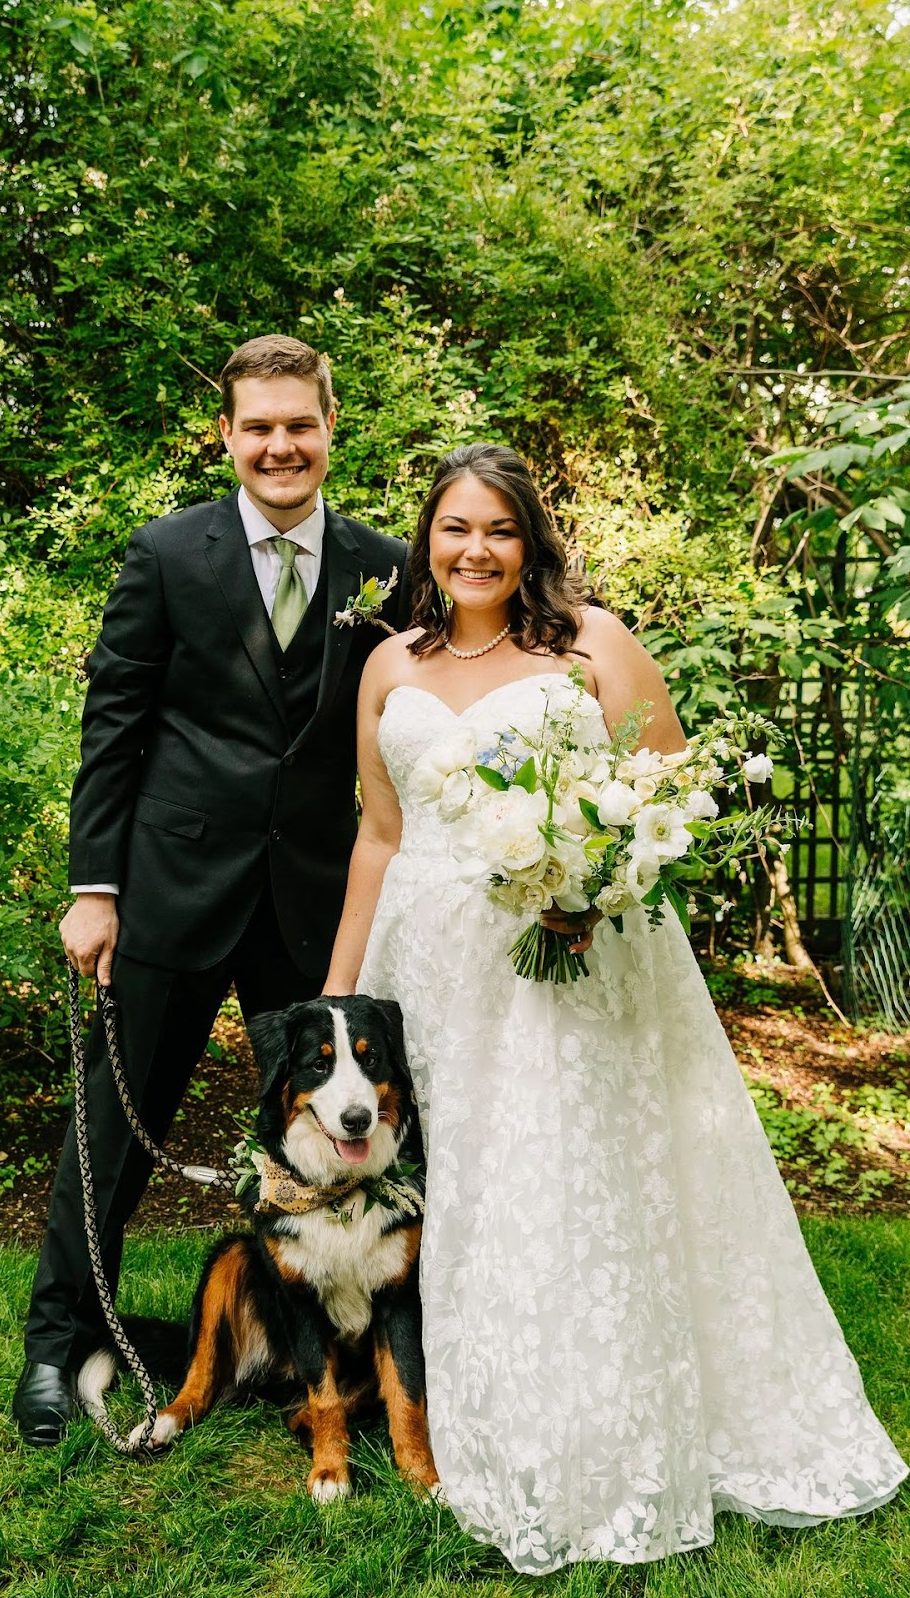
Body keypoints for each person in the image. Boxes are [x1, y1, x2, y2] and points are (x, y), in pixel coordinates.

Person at [324, 442, 907, 1573]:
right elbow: (381, 836)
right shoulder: (389, 663)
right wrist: (344, 996)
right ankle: (476, 1409)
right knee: (467, 1184)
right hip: (431, 968)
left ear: (529, 539)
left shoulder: (589, 642)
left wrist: (595, 883)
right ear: (425, 542)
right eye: (454, 528)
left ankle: (602, 1438)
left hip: (573, 959)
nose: (476, 549)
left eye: (498, 528)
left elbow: (667, 788)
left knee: (565, 1176)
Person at [12, 335, 412, 1446]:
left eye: (300, 423)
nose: (280, 445)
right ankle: (55, 1346)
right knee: (113, 1129)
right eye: (258, 426)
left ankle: (343, 1348)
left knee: (345, 1132)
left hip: (314, 899)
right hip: (169, 888)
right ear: (227, 435)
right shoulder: (165, 553)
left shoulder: (386, 567)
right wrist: (95, 886)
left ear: (332, 427)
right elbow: (116, 724)